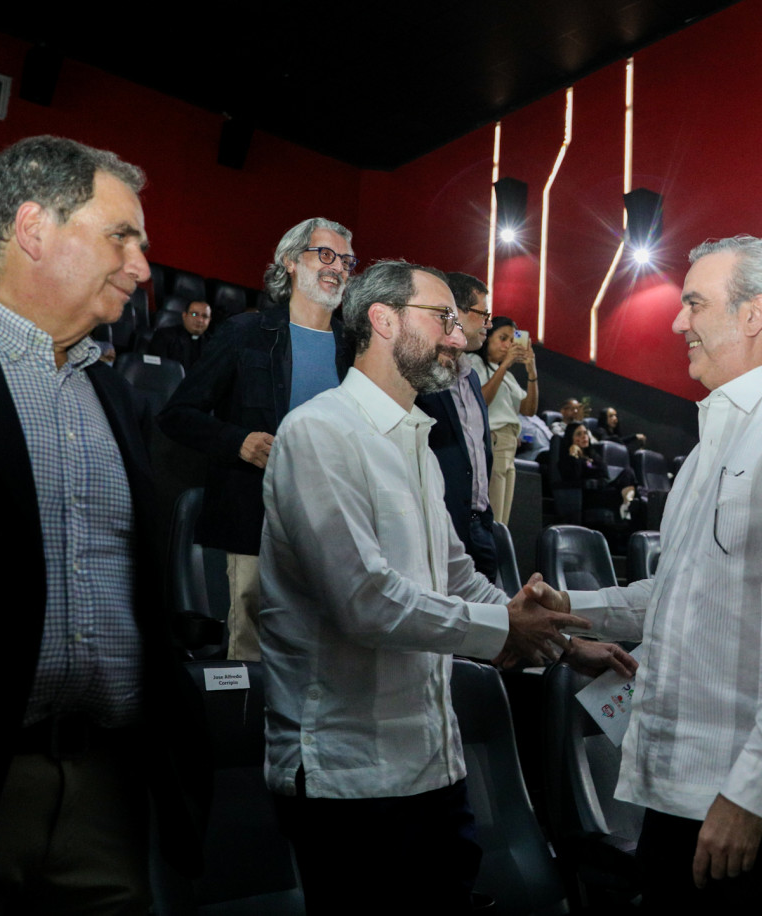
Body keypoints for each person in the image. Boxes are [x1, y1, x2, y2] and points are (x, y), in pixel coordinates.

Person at [0, 135, 209, 912]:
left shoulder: (118, 398)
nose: (143, 268)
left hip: (108, 795)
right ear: (32, 228)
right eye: (121, 236)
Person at [258, 259, 622, 914]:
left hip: (433, 765)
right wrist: (507, 629)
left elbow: (457, 579)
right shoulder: (318, 433)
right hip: (350, 778)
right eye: (444, 319)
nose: (459, 337)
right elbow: (364, 602)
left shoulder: (418, 445)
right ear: (382, 319)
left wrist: (563, 647)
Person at [543, 236, 762, 913]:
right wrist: (564, 607)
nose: (678, 322)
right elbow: (676, 593)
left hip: (758, 803)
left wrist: (750, 793)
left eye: (694, 303)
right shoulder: (709, 445)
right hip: (684, 789)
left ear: (754, 313)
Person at [158, 217, 354, 660]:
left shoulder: (355, 348)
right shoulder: (244, 333)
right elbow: (177, 415)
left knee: (324, 657)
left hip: (335, 527)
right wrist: (238, 441)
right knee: (251, 654)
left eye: (346, 261)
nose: (338, 267)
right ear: (290, 261)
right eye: (325, 254)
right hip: (254, 518)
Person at [416, 271, 498, 581]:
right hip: (442, 523)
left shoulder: (472, 377)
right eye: (483, 314)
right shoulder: (423, 371)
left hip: (480, 524)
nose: (489, 323)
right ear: (456, 312)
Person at [471, 315, 537, 525]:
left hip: (509, 444)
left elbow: (529, 409)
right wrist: (505, 365)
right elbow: (481, 400)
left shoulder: (508, 376)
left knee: (502, 520)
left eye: (512, 340)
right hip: (494, 440)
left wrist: (532, 372)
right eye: (503, 338)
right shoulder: (474, 363)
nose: (508, 345)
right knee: (493, 514)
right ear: (487, 338)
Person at [147, 300, 211, 370]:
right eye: (194, 314)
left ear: (209, 320)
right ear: (184, 315)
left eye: (205, 316)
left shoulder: (212, 342)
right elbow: (157, 368)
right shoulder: (164, 336)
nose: (200, 320)